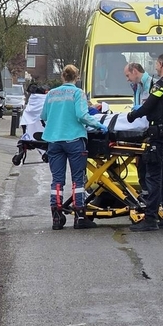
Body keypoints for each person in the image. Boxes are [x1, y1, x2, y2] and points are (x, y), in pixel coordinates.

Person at [42, 65, 108, 230]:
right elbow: (82, 115)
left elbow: (43, 116)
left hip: (54, 141)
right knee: (78, 180)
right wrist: (99, 125)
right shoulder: (78, 93)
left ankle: (56, 217)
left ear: (62, 77)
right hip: (74, 140)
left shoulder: (51, 94)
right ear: (76, 78)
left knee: (57, 180)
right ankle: (80, 216)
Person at [126, 52, 163, 232]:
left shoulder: (160, 85)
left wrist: (131, 116)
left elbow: (148, 106)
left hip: (157, 136)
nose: (155, 67)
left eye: (156, 65)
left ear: (160, 64)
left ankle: (150, 219)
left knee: (153, 178)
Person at [125, 62, 153, 197]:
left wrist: (139, 110)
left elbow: (148, 106)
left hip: (149, 131)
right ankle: (146, 194)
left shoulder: (151, 84)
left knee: (148, 166)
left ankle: (151, 197)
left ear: (135, 71)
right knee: (141, 166)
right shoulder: (137, 86)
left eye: (128, 75)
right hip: (140, 131)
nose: (127, 79)